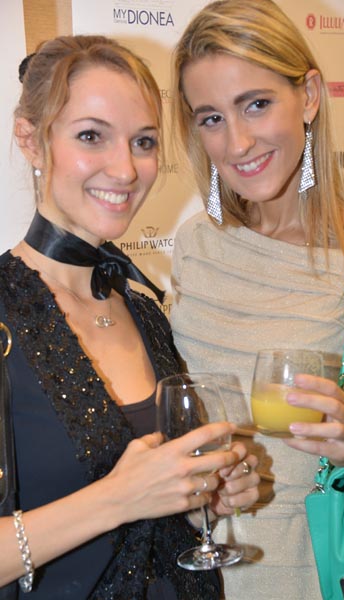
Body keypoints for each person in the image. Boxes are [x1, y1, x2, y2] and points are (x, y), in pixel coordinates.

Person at [0, 34, 260, 599]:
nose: (125, 169)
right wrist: (118, 499)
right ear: (30, 140)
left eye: (143, 141)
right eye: (91, 136)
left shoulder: (143, 307)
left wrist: (201, 497)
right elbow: (122, 498)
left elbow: (156, 515)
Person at [170, 1, 344, 598]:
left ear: (310, 97)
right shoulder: (195, 245)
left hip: (311, 576)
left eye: (256, 104)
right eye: (211, 118)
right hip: (192, 575)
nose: (237, 141)